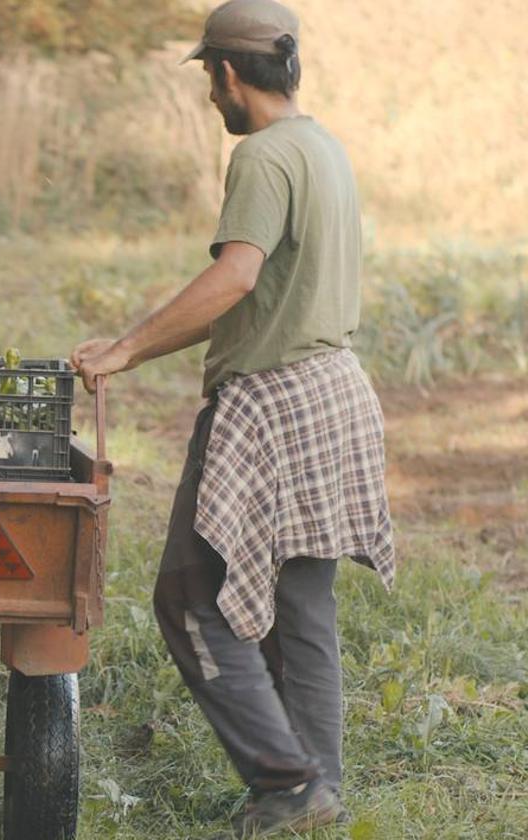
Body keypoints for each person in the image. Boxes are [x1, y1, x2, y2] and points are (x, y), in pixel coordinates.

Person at [70, 1, 394, 836]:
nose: (211, 97)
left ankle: (286, 784)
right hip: (335, 393)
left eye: (208, 79)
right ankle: (319, 796)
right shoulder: (322, 145)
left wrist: (124, 352)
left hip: (273, 406)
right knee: (301, 612)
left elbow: (238, 278)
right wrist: (133, 341)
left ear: (225, 73)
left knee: (188, 599)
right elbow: (263, 289)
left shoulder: (261, 156)